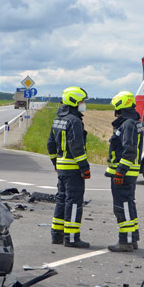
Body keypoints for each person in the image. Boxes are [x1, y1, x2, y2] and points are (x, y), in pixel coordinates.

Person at [47, 86, 91, 248]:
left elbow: (50, 145)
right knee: (73, 202)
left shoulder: (58, 119)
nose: (83, 104)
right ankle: (72, 238)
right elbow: (77, 147)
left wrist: (55, 163)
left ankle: (56, 235)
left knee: (61, 200)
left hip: (62, 167)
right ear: (74, 102)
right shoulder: (75, 121)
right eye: (82, 101)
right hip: (73, 169)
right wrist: (84, 167)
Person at [105, 90, 143, 252]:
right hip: (128, 172)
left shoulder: (127, 124)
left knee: (122, 207)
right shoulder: (132, 122)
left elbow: (129, 151)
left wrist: (120, 171)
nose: (115, 109)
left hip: (124, 174)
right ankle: (132, 238)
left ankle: (126, 241)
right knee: (129, 205)